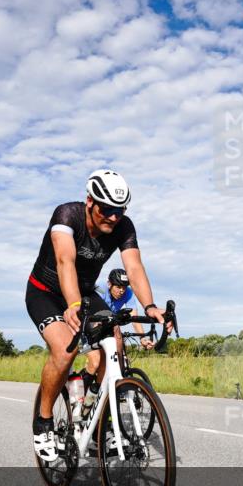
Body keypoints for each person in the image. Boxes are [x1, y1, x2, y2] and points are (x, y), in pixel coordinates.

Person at [26, 169, 170, 462]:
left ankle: (97, 415)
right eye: (107, 209)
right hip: (45, 293)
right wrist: (73, 304)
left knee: (115, 343)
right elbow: (65, 262)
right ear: (89, 201)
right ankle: (43, 422)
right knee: (65, 350)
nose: (114, 217)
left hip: (84, 293)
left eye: (120, 210)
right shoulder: (67, 216)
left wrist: (151, 307)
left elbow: (134, 268)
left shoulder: (123, 226)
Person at [100, 268, 154, 349]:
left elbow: (134, 318)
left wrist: (142, 338)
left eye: (124, 287)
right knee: (97, 358)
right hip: (94, 320)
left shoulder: (128, 292)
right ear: (109, 284)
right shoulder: (101, 288)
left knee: (120, 347)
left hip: (110, 322)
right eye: (118, 287)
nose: (122, 291)